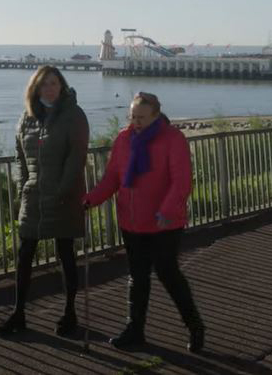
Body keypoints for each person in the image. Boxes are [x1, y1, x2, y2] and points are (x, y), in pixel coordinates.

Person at [84, 92, 205, 352]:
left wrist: (167, 210)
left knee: (168, 274)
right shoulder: (124, 139)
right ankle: (134, 330)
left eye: (140, 117)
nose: (135, 122)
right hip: (132, 221)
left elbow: (181, 181)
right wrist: (89, 200)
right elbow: (112, 178)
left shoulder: (173, 139)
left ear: (155, 115)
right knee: (137, 277)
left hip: (165, 223)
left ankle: (195, 326)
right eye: (132, 116)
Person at [0, 65, 89, 337]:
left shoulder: (73, 115)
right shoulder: (28, 117)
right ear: (35, 87)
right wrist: (23, 184)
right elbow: (19, 156)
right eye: (43, 83)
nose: (49, 87)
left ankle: (70, 313)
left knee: (66, 253)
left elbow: (77, 157)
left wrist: (61, 190)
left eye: (53, 83)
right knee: (25, 254)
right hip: (33, 195)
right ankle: (19, 313)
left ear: (61, 86)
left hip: (63, 195)